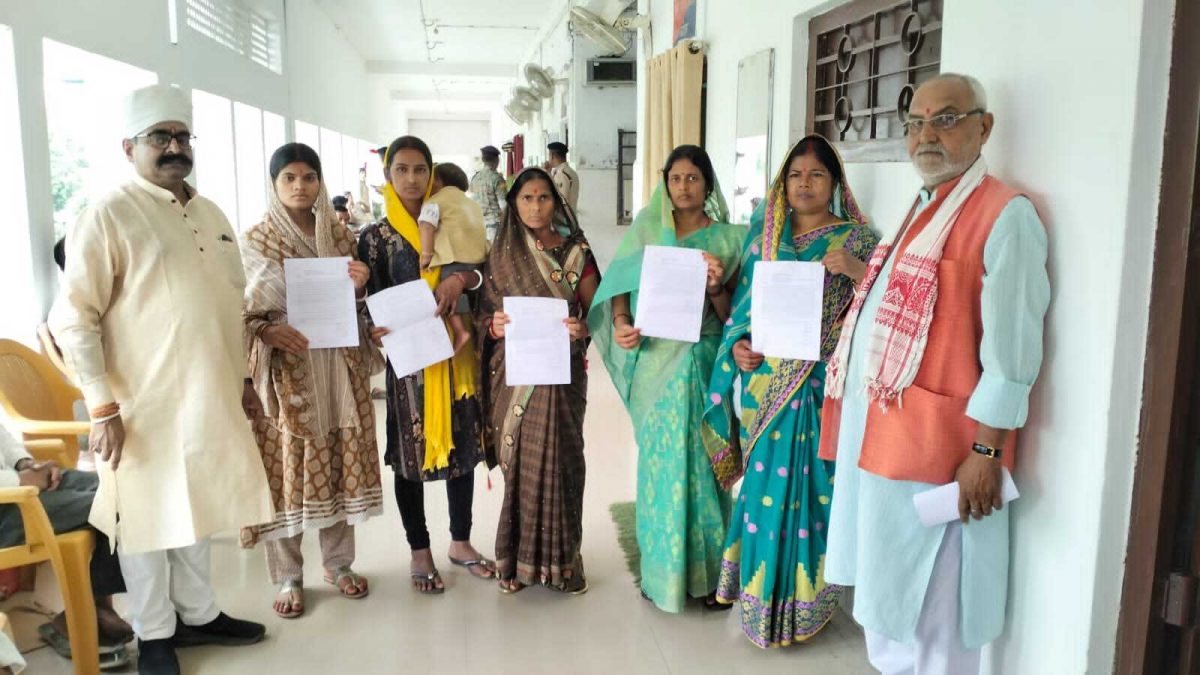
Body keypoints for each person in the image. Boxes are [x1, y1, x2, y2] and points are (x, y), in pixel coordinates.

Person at [819, 74, 1050, 674]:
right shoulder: (924, 206)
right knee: (888, 610)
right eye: (916, 123)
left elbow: (1013, 353)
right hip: (886, 445)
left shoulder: (1004, 215)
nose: (927, 135)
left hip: (944, 458)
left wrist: (986, 450)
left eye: (945, 119)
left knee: (934, 618)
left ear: (983, 127)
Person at [48, 83, 273, 675]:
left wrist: (242, 381)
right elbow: (75, 318)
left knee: (197, 507)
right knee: (146, 521)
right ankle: (154, 634)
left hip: (208, 394)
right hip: (138, 408)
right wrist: (102, 407)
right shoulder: (108, 213)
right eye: (159, 137)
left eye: (181, 136)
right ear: (130, 147)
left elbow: (228, 304)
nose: (174, 147)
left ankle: (198, 614)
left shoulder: (210, 213)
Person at [705, 135, 879, 647]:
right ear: (783, 184)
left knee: (815, 492)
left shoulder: (858, 241)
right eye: (796, 175)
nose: (805, 184)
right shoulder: (763, 241)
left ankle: (804, 606)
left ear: (835, 183)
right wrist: (739, 348)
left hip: (821, 389)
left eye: (817, 175)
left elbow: (887, 313)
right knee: (763, 493)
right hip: (765, 390)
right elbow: (740, 315)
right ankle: (760, 604)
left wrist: (859, 273)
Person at [588, 145, 746, 613]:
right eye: (675, 178)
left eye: (692, 178)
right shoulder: (648, 230)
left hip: (703, 362)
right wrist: (621, 322)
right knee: (660, 468)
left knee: (705, 466)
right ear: (665, 182)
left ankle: (713, 578)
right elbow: (620, 287)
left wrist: (715, 286)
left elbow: (734, 314)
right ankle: (662, 576)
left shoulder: (729, 239)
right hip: (656, 361)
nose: (683, 187)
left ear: (708, 183)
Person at [238, 142, 385, 619]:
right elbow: (242, 310)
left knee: (340, 460)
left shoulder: (339, 237)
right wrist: (268, 332)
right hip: (287, 369)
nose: (300, 186)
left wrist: (360, 286)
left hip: (338, 367)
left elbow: (353, 305)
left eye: (309, 177)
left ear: (320, 182)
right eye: (289, 178)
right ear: (274, 183)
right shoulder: (256, 240)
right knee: (286, 469)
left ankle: (339, 564)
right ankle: (288, 574)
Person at [358, 135, 495, 594]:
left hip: (456, 361)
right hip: (410, 366)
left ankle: (460, 541)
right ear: (388, 175)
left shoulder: (451, 217)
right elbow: (366, 298)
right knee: (408, 460)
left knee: (463, 452)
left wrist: (460, 280)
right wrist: (371, 327)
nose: (412, 178)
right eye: (402, 169)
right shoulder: (375, 237)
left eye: (420, 169)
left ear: (431, 173)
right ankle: (419, 549)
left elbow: (483, 271)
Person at [481, 167, 599, 594]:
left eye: (543, 197)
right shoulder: (500, 253)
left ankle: (565, 562)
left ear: (557, 201)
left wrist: (583, 328)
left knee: (564, 461)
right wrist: (492, 326)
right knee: (521, 466)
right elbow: (483, 313)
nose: (535, 207)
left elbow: (598, 310)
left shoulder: (576, 252)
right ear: (514, 203)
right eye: (526, 198)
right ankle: (515, 562)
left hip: (563, 376)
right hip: (514, 375)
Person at [0, 425, 132, 669]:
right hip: (7, 505)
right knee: (110, 505)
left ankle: (94, 607)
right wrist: (19, 480)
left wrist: (26, 463)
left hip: (18, 486)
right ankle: (84, 615)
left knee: (121, 488)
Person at [417, 162, 489, 353]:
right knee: (463, 295)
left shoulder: (435, 201)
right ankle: (470, 330)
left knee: (443, 295)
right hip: (476, 260)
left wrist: (427, 255)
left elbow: (426, 226)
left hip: (452, 258)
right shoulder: (471, 203)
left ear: (436, 180)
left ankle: (460, 331)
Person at [469, 145, 508, 242]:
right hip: (494, 226)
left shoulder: (475, 178)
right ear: (497, 160)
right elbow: (503, 205)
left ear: (483, 160)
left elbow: (472, 202)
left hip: (479, 225)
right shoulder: (497, 179)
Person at [546, 141, 579, 210]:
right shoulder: (571, 172)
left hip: (562, 216)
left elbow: (560, 201)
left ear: (552, 155)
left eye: (548, 155)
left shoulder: (561, 174)